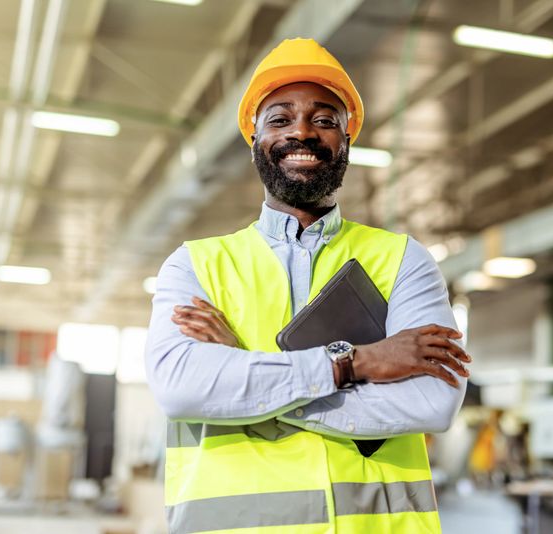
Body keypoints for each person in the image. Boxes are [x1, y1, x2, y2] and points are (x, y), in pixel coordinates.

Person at [145, 38, 471, 534]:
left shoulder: (403, 261)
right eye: (280, 119)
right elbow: (183, 389)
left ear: (346, 140)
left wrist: (245, 383)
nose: (302, 131)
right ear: (254, 138)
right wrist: (355, 363)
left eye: (324, 120)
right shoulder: (195, 265)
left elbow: (432, 402)